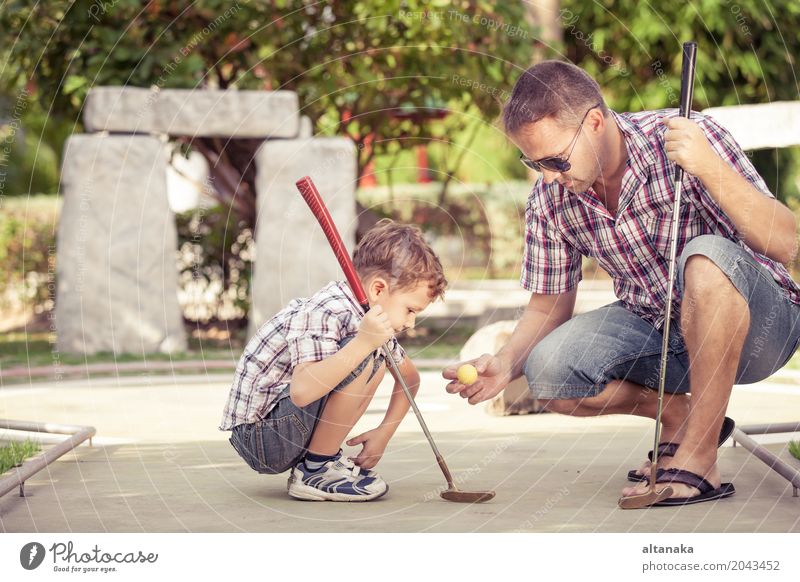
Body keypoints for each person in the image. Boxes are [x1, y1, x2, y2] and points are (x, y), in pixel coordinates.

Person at [444, 60, 800, 507]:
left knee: (706, 258)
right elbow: (547, 307)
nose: (549, 175)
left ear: (595, 121)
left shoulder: (687, 138)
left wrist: (708, 166)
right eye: (534, 163)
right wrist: (506, 361)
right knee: (549, 370)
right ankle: (680, 415)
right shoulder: (551, 199)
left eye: (554, 159)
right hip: (663, 331)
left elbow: (786, 243)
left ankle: (700, 454)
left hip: (761, 329)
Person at [221, 219, 447, 501]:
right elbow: (302, 392)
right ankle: (315, 470)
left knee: (372, 352)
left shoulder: (372, 320)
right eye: (410, 310)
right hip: (262, 437)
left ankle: (319, 462)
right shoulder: (325, 311)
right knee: (367, 354)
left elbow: (409, 380)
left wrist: (384, 433)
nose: (411, 323)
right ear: (378, 290)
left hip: (288, 427)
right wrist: (364, 342)